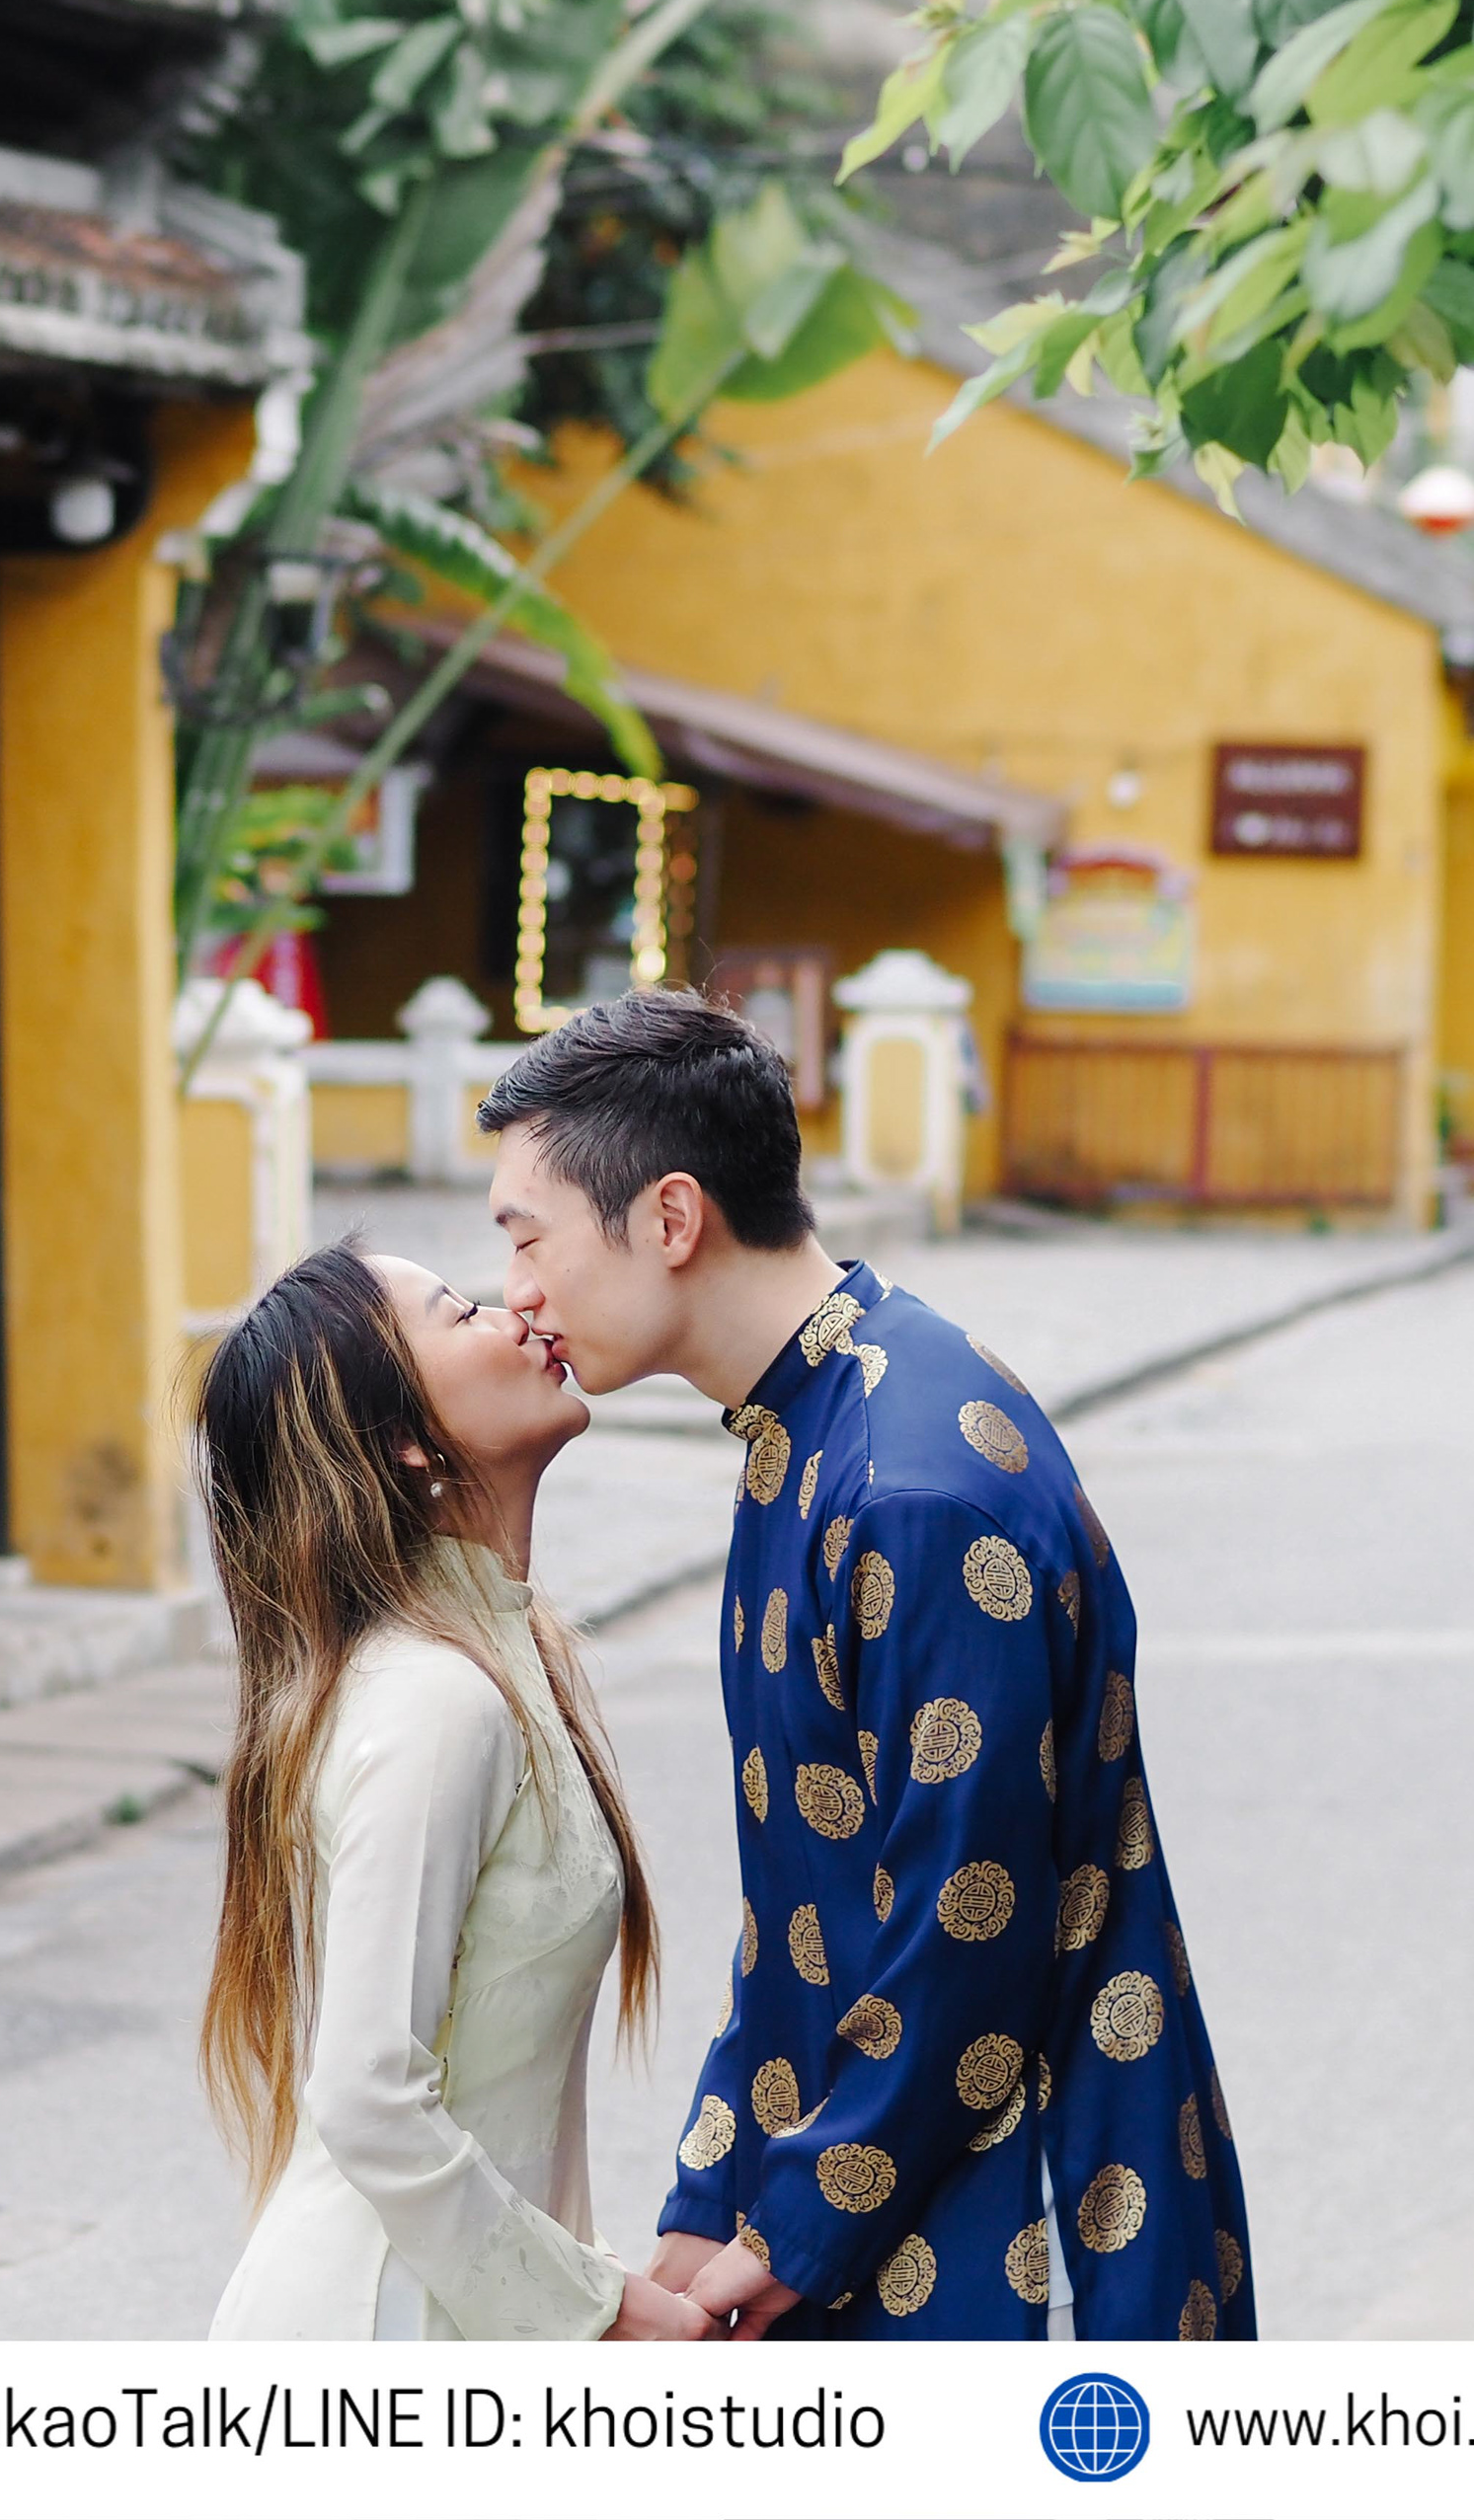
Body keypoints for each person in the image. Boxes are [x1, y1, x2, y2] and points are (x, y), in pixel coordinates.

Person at [479, 989, 1254, 2341]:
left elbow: (971, 1918)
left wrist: (790, 2233)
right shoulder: (817, 1421)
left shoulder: (908, 1488)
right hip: (888, 2194)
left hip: (1030, 2222)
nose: (517, 1293)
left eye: (527, 1237)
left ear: (670, 1219)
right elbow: (806, 1903)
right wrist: (711, 2200)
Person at [197, 1243, 712, 2341]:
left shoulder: (496, 1656)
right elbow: (369, 2095)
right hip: (380, 2329)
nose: (519, 1306)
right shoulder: (434, 1699)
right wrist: (603, 2309)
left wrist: (595, 2281)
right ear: (407, 1440)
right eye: (461, 1309)